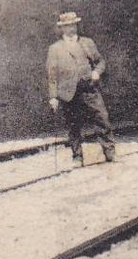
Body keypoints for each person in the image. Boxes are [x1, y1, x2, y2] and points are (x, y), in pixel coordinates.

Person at [45, 11, 117, 167]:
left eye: (73, 25)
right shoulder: (55, 49)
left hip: (89, 88)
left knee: (102, 118)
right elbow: (52, 75)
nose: (71, 28)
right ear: (62, 29)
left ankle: (109, 152)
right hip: (68, 93)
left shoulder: (87, 43)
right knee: (73, 125)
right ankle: (77, 156)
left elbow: (100, 62)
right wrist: (53, 96)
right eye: (67, 26)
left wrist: (97, 72)